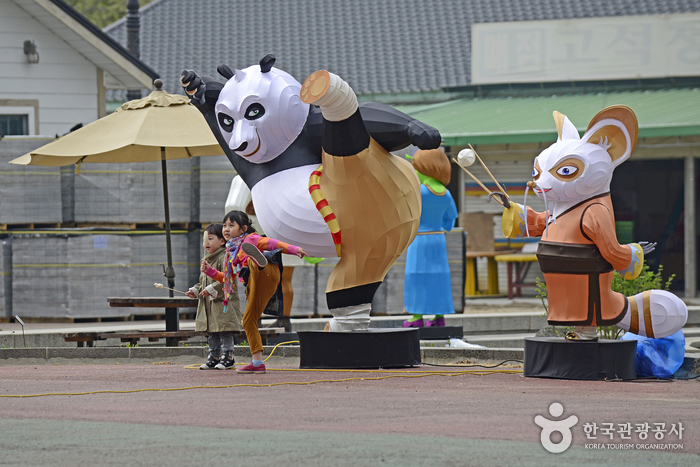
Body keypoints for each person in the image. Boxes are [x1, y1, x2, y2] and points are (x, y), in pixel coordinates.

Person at [201, 211, 307, 374]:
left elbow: (272, 243)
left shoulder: (250, 239)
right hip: (257, 285)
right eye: (224, 226)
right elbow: (227, 279)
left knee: (250, 259)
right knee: (248, 321)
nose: (226, 229)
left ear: (243, 228)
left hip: (268, 272)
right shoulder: (230, 253)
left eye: (231, 225)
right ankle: (257, 362)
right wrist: (210, 271)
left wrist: (294, 249)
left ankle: (258, 261)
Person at [403, 148, 459, 327]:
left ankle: (416, 317)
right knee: (439, 277)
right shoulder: (446, 193)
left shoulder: (418, 191)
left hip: (419, 239)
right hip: (438, 239)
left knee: (416, 276)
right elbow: (450, 220)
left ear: (423, 168)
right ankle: (438, 316)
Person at [186, 223, 243, 370]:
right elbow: (202, 282)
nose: (207, 243)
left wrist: (210, 288)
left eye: (210, 239)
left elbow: (228, 279)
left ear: (222, 241)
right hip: (209, 304)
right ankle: (214, 356)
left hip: (223, 302)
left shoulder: (225, 257)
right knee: (212, 332)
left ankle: (228, 356)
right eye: (205, 239)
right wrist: (195, 290)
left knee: (224, 331)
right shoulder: (207, 259)